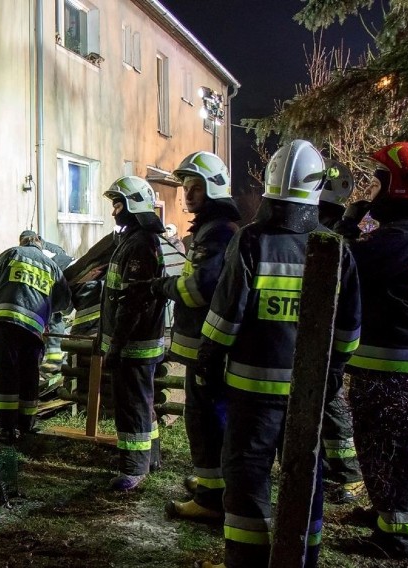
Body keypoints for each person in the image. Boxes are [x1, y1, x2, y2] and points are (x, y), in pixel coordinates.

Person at [194, 140, 361, 568]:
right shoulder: (335, 249)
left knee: (247, 477)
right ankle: (302, 557)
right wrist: (333, 374)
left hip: (251, 394)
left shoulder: (252, 241)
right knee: (306, 476)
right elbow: (348, 330)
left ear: (269, 187)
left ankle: (247, 561)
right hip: (307, 398)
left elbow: (225, 317)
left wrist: (208, 361)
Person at [335, 142, 408, 560]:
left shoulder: (405, 234)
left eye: (378, 182)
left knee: (386, 447)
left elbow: (347, 266)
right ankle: (388, 516)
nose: (372, 190)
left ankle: (397, 535)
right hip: (401, 357)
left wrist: (344, 226)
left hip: (390, 360)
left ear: (396, 186)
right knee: (387, 446)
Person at [148, 151, 240, 521]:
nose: (188, 194)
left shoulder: (217, 232)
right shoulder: (211, 228)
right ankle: (212, 485)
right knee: (205, 417)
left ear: (214, 189)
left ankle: (211, 500)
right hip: (205, 345)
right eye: (186, 187)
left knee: (205, 420)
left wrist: (164, 286)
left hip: (208, 347)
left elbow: (200, 288)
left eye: (196, 187)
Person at [100, 175, 168, 491]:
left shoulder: (140, 244)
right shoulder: (134, 239)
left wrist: (115, 346)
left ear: (134, 205)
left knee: (132, 406)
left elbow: (132, 303)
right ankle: (151, 457)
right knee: (143, 401)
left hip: (133, 344)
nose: (114, 211)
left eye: (119, 204)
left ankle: (134, 468)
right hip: (136, 343)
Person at [0, 232, 70, 443]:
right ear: (40, 243)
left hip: (4, 323)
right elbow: (63, 302)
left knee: (6, 373)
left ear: (22, 242)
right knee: (30, 373)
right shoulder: (53, 266)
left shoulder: (12, 254)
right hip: (33, 329)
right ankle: (26, 422)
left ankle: (5, 428)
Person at [316, 159, 365, 505]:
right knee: (326, 403)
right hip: (323, 331)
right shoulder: (338, 225)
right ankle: (338, 468)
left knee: (331, 403)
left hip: (327, 333)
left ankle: (349, 473)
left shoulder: (332, 230)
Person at [19, 230, 74, 374]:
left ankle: (55, 360)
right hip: (65, 281)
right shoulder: (51, 248)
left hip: (64, 283)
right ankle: (53, 357)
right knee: (52, 317)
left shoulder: (44, 253)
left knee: (54, 318)